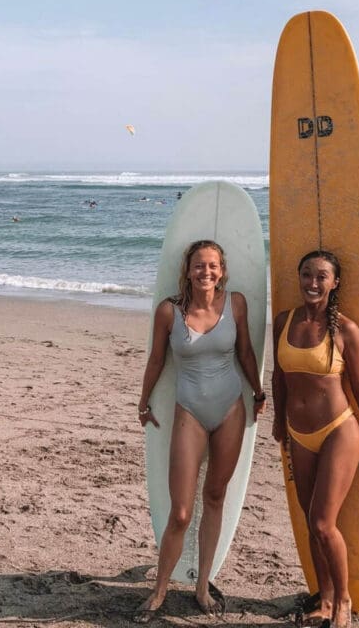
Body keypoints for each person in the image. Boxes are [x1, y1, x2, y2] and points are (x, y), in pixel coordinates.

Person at [134, 240, 265, 623]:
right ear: (188, 270)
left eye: (212, 266)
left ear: (222, 270)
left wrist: (258, 391)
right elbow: (157, 359)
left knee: (215, 496)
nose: (205, 272)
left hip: (230, 411)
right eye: (198, 266)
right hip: (189, 412)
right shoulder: (168, 312)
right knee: (180, 511)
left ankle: (202, 585)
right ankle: (160, 589)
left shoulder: (236, 304)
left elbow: (245, 353)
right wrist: (143, 402)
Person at [271, 250, 359, 628]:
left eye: (321, 276)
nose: (312, 282)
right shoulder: (282, 321)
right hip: (298, 432)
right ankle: (323, 599)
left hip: (339, 429)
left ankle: (343, 601)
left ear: (334, 282)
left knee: (324, 523)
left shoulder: (344, 329)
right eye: (306, 274)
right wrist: (279, 421)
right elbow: (278, 377)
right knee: (312, 522)